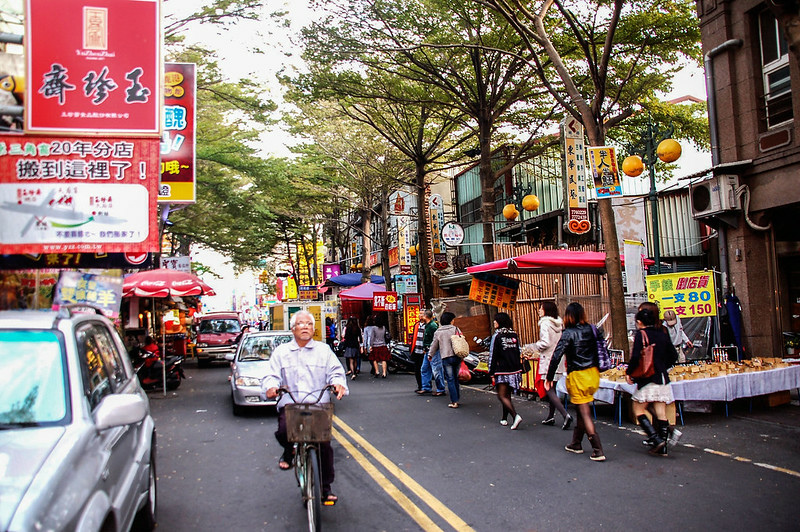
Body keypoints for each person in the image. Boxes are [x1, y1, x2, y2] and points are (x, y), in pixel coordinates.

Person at [262, 310, 348, 505]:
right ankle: (288, 450)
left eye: (309, 324)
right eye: (301, 324)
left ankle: (325, 489)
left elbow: (335, 371)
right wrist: (271, 387)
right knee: (284, 431)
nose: (305, 327)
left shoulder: (324, 350)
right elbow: (271, 375)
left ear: (314, 329)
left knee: (324, 446)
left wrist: (338, 384)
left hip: (317, 405)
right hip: (291, 403)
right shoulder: (282, 352)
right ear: (293, 328)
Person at [546, 302, 605, 461]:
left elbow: (556, 356)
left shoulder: (568, 333)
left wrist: (549, 378)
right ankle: (576, 443)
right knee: (581, 409)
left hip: (578, 376)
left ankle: (597, 449)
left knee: (584, 412)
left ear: (568, 316)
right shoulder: (592, 329)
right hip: (593, 373)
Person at [626, 307, 679, 457]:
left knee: (638, 409)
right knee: (661, 412)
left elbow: (636, 357)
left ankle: (656, 439)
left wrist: (629, 373)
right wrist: (663, 365)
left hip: (647, 378)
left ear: (640, 322)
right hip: (662, 378)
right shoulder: (662, 333)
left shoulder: (641, 335)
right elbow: (673, 355)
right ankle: (663, 446)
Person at [532, 301, 571, 429]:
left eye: (540, 308)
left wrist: (533, 346)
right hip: (558, 360)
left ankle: (565, 414)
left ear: (546, 310)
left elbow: (545, 342)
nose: (538, 310)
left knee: (548, 387)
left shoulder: (545, 324)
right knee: (552, 388)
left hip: (548, 359)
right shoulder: (559, 325)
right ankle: (550, 416)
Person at [488, 312, 524, 429]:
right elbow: (518, 351)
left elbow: (493, 355)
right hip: (514, 369)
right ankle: (504, 418)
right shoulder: (514, 335)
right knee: (507, 394)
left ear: (499, 322)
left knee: (501, 395)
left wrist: (491, 371)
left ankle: (515, 416)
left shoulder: (497, 336)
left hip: (502, 370)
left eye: (495, 320)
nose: (494, 322)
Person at [428, 312, 462, 408]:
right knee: (455, 378)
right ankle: (457, 398)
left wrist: (430, 355)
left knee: (450, 379)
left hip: (446, 357)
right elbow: (462, 340)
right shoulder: (456, 329)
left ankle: (454, 401)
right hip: (457, 356)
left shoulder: (438, 332)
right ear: (450, 320)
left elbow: (434, 345)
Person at [416, 310, 446, 396]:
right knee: (424, 368)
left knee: (436, 370)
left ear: (425, 316)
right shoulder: (427, 325)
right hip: (427, 350)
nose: (420, 316)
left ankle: (441, 388)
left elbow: (436, 339)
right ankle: (426, 387)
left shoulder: (433, 326)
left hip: (434, 350)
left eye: (422, 315)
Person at [364, 314, 390, 378]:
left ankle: (377, 371)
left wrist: (370, 345)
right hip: (383, 345)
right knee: (384, 359)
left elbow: (372, 337)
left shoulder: (374, 328)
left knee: (375, 359)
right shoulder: (383, 327)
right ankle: (384, 373)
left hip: (375, 345)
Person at [409, 315, 427, 392]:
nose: (420, 316)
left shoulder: (428, 325)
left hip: (424, 351)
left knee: (425, 370)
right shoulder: (416, 325)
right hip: (416, 350)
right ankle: (420, 386)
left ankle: (425, 386)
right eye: (420, 314)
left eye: (422, 314)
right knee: (417, 369)